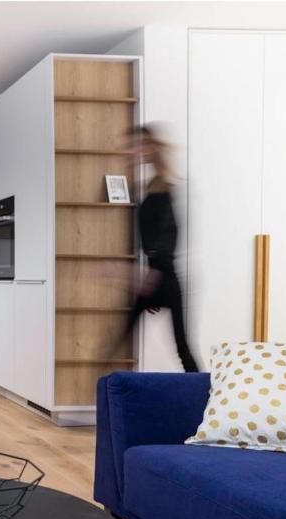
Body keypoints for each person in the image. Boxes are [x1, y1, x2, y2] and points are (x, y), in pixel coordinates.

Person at [120, 124, 199, 372]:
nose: (129, 152)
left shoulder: (163, 186)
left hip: (163, 276)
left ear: (148, 148)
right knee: (121, 338)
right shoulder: (152, 184)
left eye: (135, 146)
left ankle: (207, 402)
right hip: (159, 276)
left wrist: (154, 276)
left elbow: (169, 238)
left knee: (182, 349)